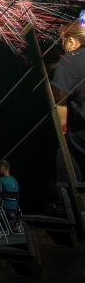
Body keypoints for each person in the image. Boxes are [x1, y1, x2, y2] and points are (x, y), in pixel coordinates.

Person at [51, 19, 85, 181]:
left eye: (63, 41)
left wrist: (63, 131)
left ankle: (75, 201)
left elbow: (60, 102)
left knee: (64, 151)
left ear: (71, 41)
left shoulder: (68, 61)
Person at [0, 160, 22, 233]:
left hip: (5, 205)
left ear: (2, 168)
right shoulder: (14, 180)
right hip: (15, 205)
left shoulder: (1, 180)